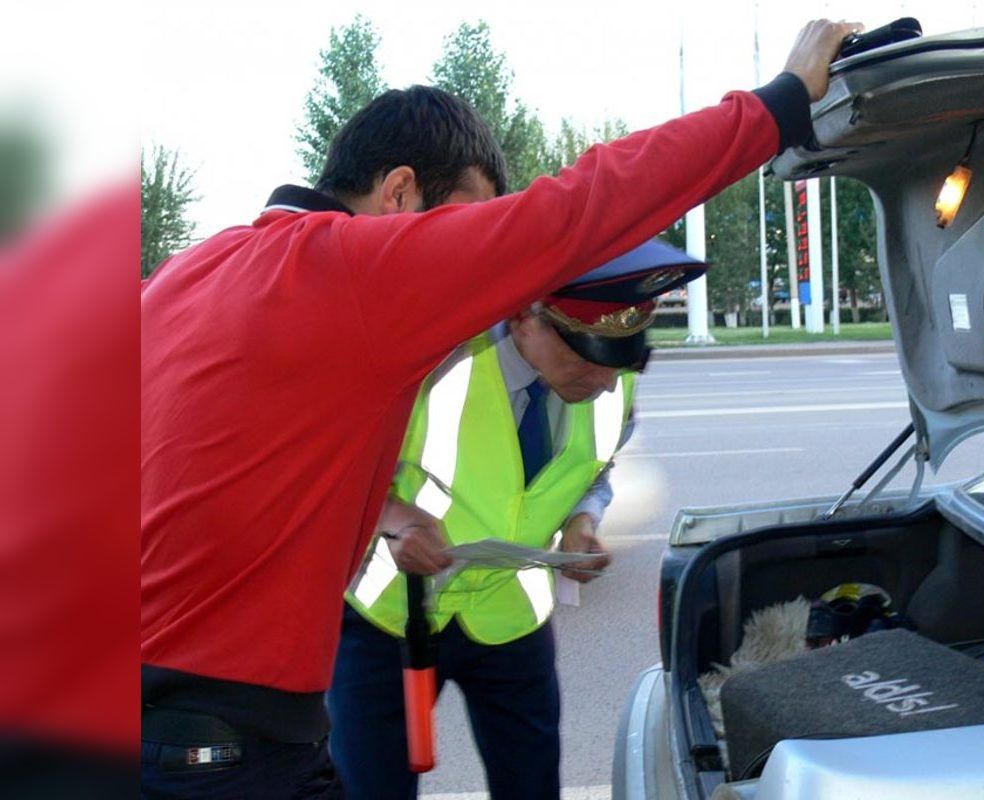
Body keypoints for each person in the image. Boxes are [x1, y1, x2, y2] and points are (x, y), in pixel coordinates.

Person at [140, 18, 861, 798]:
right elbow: (580, 207)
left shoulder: (191, 271)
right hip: (223, 737)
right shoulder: (357, 274)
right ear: (400, 192)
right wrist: (780, 104)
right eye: (466, 220)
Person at [328, 241, 704, 799]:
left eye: (619, 360)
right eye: (584, 357)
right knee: (370, 789)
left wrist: (582, 519)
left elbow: (599, 465)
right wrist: (395, 518)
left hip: (511, 620)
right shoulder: (430, 361)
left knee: (530, 786)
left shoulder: (612, 379)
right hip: (389, 616)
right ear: (525, 315)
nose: (602, 382)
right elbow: (335, 465)